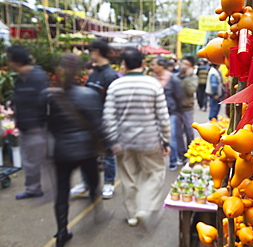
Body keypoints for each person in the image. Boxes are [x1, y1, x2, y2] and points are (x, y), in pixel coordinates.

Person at [40, 54, 119, 247]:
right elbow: (98, 125)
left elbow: (45, 124)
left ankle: (61, 233)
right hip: (85, 151)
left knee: (62, 192)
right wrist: (110, 144)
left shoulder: (50, 95)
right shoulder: (88, 94)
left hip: (61, 151)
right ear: (80, 71)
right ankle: (98, 213)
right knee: (93, 184)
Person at [103, 47, 170, 227]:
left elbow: (108, 118)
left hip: (124, 143)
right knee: (155, 173)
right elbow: (163, 117)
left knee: (129, 178)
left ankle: (132, 215)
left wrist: (113, 141)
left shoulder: (115, 86)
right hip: (150, 141)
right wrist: (166, 140)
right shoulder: (153, 84)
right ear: (142, 64)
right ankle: (145, 206)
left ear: (123, 65)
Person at [70, 38, 118, 199]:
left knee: (108, 154)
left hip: (105, 122)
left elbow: (113, 102)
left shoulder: (110, 75)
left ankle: (109, 183)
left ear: (97, 52)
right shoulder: (93, 74)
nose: (89, 54)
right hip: (88, 122)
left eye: (90, 51)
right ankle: (86, 183)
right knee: (86, 154)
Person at [6, 45, 49, 200]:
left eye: (9, 59)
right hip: (25, 126)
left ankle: (50, 191)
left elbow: (45, 103)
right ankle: (33, 189)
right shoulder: (20, 79)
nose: (8, 63)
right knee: (30, 161)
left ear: (16, 61)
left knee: (41, 161)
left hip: (37, 128)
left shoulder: (37, 77)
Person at [149, 56, 183, 171]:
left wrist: (177, 111)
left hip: (171, 113)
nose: (151, 67)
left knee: (171, 137)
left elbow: (179, 97)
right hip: (156, 113)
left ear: (161, 66)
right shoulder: (153, 80)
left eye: (153, 65)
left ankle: (173, 161)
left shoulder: (173, 79)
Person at [176, 56, 198, 165]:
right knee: (178, 133)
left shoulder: (193, 78)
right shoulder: (176, 77)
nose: (183, 66)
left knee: (189, 131)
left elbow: (190, 91)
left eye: (186, 64)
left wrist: (188, 77)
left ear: (191, 67)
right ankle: (181, 155)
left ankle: (191, 153)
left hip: (187, 108)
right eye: (182, 63)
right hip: (175, 109)